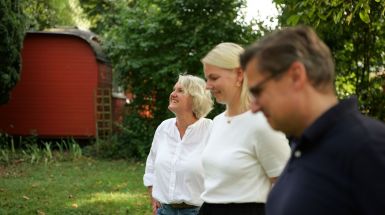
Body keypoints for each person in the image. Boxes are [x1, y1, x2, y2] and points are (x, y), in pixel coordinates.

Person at [240, 26, 385, 215]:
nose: (254, 107)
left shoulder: (368, 147)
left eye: (258, 92)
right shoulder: (304, 145)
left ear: (296, 76)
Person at [198, 42, 291, 215]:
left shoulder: (263, 123)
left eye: (214, 78)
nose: (207, 86)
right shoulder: (217, 122)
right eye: (207, 78)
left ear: (239, 74)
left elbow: (287, 185)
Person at [143, 74, 214, 215]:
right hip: (164, 210)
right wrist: (153, 194)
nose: (173, 94)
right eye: (174, 89)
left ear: (195, 98)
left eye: (180, 91)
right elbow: (151, 164)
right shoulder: (164, 127)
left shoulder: (211, 129)